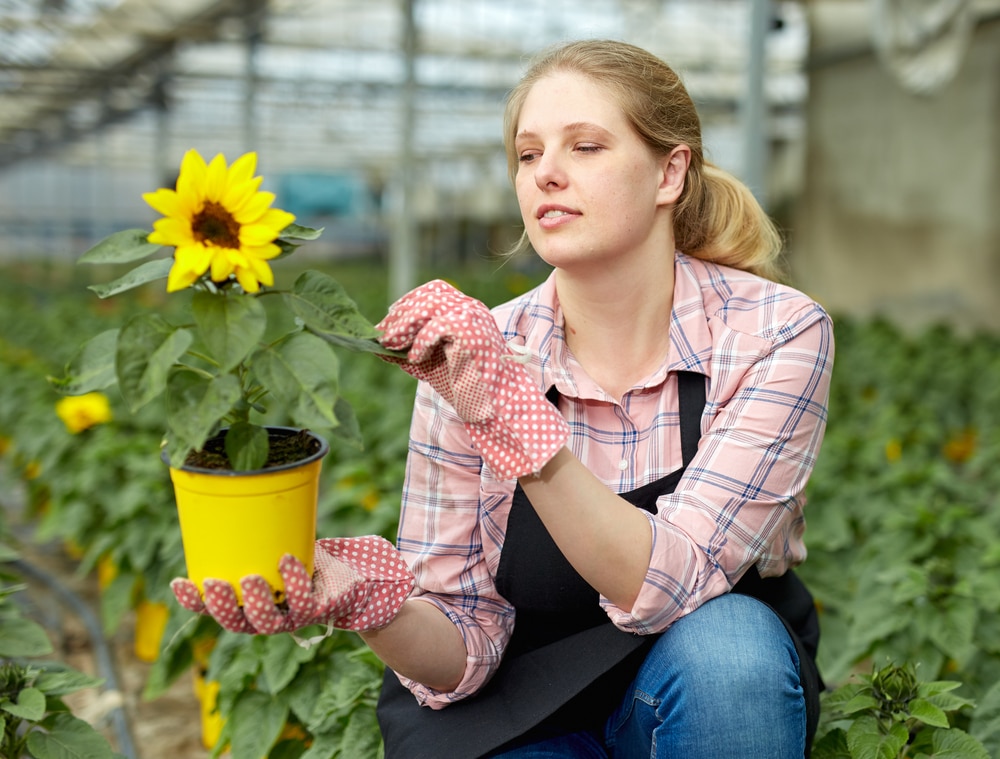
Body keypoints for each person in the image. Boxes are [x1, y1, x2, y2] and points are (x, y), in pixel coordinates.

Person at [172, 39, 834, 758]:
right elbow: (462, 644)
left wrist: (516, 423)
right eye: (527, 154)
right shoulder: (476, 350)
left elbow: (675, 582)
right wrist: (365, 601)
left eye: (584, 147)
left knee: (732, 653)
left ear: (670, 172)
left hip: (697, 680)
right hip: (524, 707)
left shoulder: (773, 332)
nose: (546, 173)